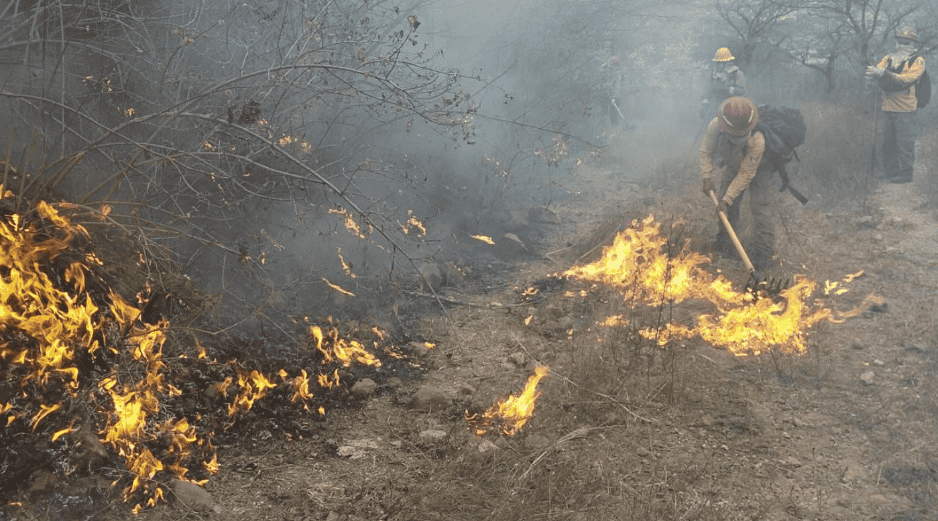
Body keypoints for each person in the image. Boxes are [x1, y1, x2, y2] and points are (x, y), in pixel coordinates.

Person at [699, 96, 776, 271]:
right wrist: (706, 176)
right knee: (724, 206)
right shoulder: (715, 126)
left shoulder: (758, 139)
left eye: (741, 136)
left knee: (761, 208)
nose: (737, 139)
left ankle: (764, 254)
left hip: (761, 168)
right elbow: (706, 151)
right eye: (734, 136)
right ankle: (725, 243)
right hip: (733, 164)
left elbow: (746, 174)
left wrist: (727, 200)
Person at [866, 26, 926, 184]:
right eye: (900, 41)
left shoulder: (917, 60)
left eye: (906, 42)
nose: (901, 45)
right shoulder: (888, 57)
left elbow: (907, 79)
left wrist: (884, 73)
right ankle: (891, 172)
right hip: (887, 106)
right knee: (888, 142)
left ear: (913, 43)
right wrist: (873, 74)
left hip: (906, 109)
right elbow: (878, 71)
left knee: (905, 143)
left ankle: (906, 174)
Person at [700, 48, 747, 123]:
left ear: (726, 63)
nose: (717, 65)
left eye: (719, 63)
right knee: (709, 126)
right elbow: (707, 90)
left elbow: (742, 92)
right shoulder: (713, 75)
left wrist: (727, 89)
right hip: (715, 110)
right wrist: (704, 105)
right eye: (716, 63)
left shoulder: (737, 74)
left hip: (733, 110)